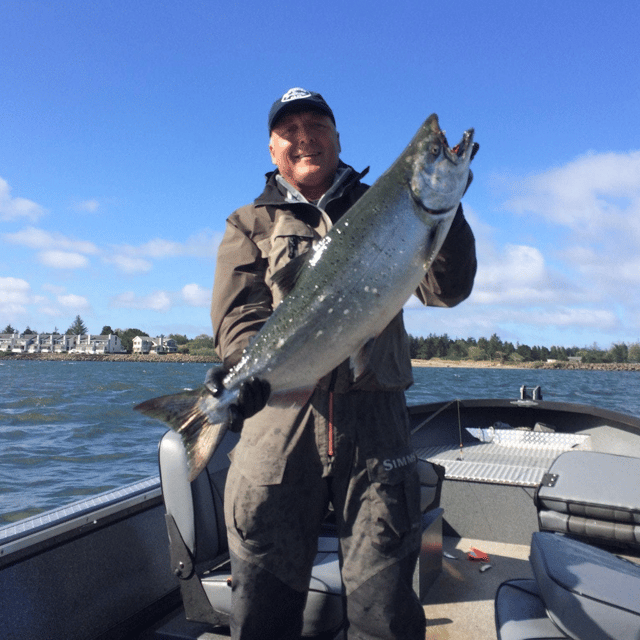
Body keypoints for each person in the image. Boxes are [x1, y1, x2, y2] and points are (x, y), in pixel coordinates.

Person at [209, 87, 477, 639]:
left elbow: (447, 290)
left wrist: (450, 211)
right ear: (271, 148)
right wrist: (243, 366)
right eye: (291, 130)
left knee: (385, 611)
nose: (305, 138)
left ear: (337, 138)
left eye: (317, 126)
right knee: (263, 609)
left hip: (376, 430)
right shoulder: (248, 223)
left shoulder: (385, 204)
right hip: (275, 433)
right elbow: (239, 315)